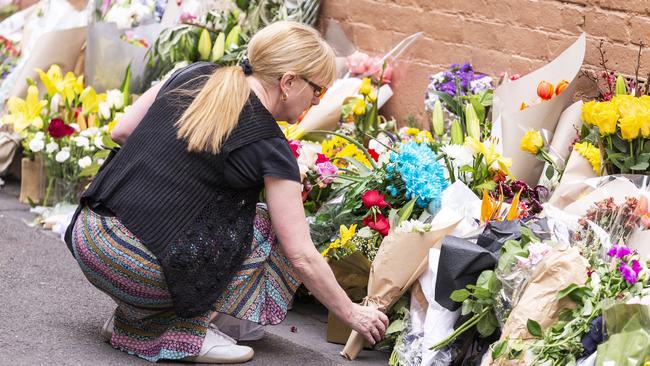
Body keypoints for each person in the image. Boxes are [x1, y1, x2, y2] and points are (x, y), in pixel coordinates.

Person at [64, 21, 388, 364]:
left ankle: (134, 321)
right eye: (318, 89)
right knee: (266, 226)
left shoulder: (191, 74)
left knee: (210, 221)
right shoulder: (270, 146)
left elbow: (122, 131)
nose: (319, 100)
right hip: (136, 268)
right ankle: (186, 333)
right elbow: (302, 255)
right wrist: (353, 313)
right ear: (289, 82)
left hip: (90, 238)